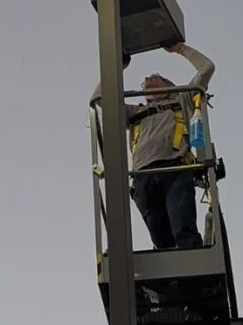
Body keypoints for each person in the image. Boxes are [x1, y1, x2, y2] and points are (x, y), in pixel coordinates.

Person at [92, 42, 216, 250]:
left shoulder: (183, 99)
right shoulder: (135, 112)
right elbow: (100, 100)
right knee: (161, 243)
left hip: (175, 171)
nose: (147, 80)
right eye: (145, 81)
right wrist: (117, 67)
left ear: (168, 85)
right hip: (142, 180)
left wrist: (179, 49)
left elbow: (207, 68)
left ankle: (193, 275)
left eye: (154, 78)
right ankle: (171, 281)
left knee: (184, 233)